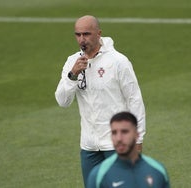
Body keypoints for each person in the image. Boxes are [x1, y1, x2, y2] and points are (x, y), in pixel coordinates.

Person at [55, 15, 146, 187]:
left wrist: (138, 139)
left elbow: (135, 100)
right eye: (78, 34)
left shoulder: (118, 61)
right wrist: (72, 75)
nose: (82, 39)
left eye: (86, 34)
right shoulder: (72, 63)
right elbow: (62, 101)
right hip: (89, 146)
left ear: (98, 33)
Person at [87, 112, 170, 188]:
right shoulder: (99, 175)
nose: (119, 138)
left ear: (137, 135)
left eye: (124, 132)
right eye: (114, 133)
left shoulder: (157, 170)